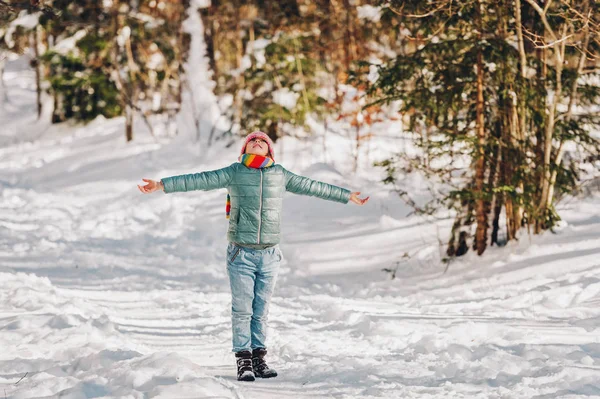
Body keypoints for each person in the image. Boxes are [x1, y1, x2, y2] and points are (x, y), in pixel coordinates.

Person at [138, 131, 369, 382]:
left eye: (263, 141)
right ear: (245, 149)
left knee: (261, 310)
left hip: (270, 254)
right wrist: (162, 184)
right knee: (242, 310)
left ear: (269, 151)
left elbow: (313, 186)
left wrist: (347, 195)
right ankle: (243, 360)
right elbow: (199, 179)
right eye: (252, 140)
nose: (257, 141)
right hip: (241, 253)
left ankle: (259, 359)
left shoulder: (280, 175)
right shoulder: (234, 172)